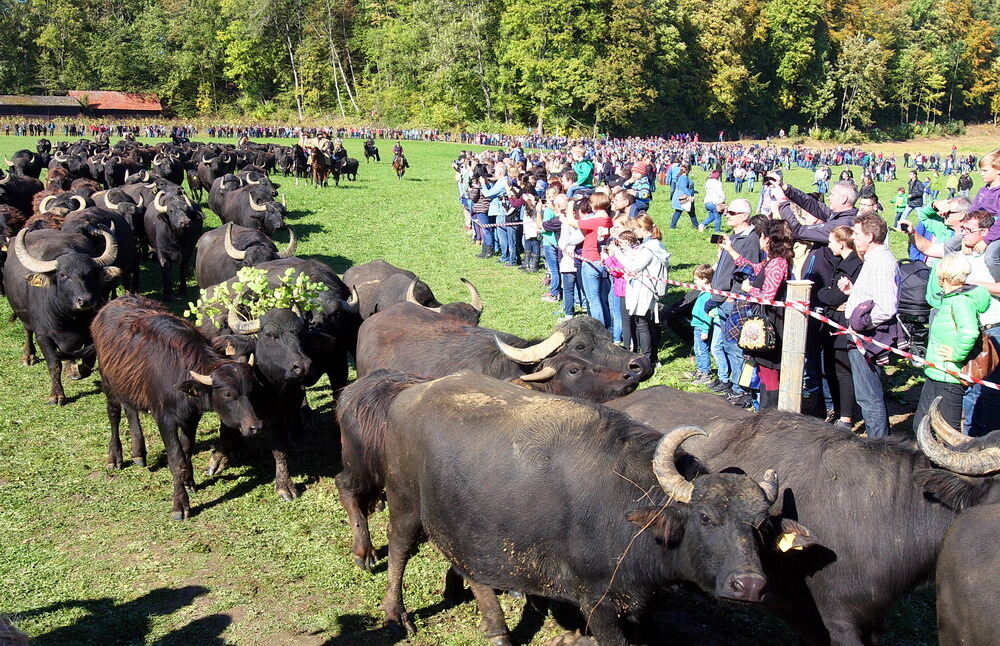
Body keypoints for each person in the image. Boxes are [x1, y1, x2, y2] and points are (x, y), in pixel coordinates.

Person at [914, 253, 992, 434]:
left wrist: (956, 354)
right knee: (920, 425)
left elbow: (969, 331)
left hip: (949, 377)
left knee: (949, 433)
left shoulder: (960, 302)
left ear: (943, 276)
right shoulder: (951, 299)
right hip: (936, 371)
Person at [720, 219, 794, 409]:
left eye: (762, 236)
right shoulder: (770, 261)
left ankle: (772, 412)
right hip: (764, 320)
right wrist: (730, 250)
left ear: (768, 239)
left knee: (769, 370)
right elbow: (752, 267)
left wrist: (749, 289)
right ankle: (763, 408)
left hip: (772, 324)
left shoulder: (778, 264)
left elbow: (768, 295)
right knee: (762, 369)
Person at [842, 213, 900, 438]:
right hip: (862, 334)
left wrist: (861, 324)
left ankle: (879, 445)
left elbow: (887, 306)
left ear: (870, 236)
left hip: (867, 336)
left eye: (857, 234)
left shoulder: (882, 262)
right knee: (866, 393)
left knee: (869, 395)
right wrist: (853, 292)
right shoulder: (873, 259)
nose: (854, 238)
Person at [707, 199, 760, 408]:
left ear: (744, 216)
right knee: (724, 345)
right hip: (723, 298)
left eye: (732, 212)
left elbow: (748, 271)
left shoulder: (750, 240)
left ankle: (742, 390)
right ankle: (731, 382)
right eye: (727, 211)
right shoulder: (734, 237)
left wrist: (732, 295)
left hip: (735, 301)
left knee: (736, 348)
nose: (726, 215)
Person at [816, 226, 863, 430]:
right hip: (833, 324)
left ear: (842, 243)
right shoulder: (843, 263)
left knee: (843, 372)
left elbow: (834, 295)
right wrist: (830, 298)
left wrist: (825, 295)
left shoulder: (853, 266)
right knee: (832, 371)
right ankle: (837, 410)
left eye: (831, 241)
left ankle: (846, 417)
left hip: (843, 327)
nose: (828, 245)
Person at [613, 217, 670, 367]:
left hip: (645, 290)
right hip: (645, 288)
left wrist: (617, 253)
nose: (634, 232)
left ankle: (647, 360)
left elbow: (633, 267)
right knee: (647, 324)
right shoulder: (653, 245)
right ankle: (650, 357)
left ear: (644, 229)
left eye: (636, 229)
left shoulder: (650, 247)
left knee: (643, 325)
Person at [690, 264, 716, 385]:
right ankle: (699, 369)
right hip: (697, 325)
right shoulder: (702, 292)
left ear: (704, 279)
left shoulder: (708, 295)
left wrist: (705, 330)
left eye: (696, 279)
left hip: (702, 326)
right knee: (697, 349)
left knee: (702, 350)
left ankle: (705, 373)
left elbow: (708, 315)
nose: (694, 281)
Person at [540, 189, 565, 303]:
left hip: (549, 242)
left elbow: (542, 226)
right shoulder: (557, 213)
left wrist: (537, 212)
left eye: (550, 196)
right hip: (556, 242)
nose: (548, 198)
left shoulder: (548, 211)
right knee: (557, 269)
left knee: (554, 269)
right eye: (547, 195)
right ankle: (556, 290)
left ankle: (555, 292)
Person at [669, 164, 697, 229]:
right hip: (683, 197)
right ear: (688, 170)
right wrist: (689, 195)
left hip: (682, 196)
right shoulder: (684, 177)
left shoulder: (681, 176)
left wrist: (694, 191)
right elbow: (683, 187)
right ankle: (672, 226)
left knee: (683, 211)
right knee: (681, 211)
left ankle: (696, 225)